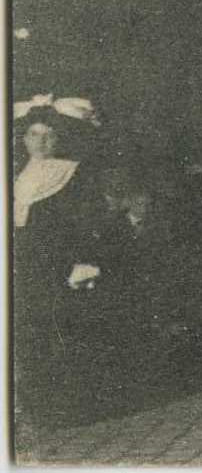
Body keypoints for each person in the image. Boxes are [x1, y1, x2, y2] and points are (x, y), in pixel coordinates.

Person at [12, 97, 108, 428]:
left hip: (58, 261)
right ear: (24, 140)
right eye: (34, 135)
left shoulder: (71, 172)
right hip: (23, 264)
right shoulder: (17, 177)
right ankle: (37, 409)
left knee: (63, 327)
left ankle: (72, 408)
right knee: (29, 332)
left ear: (58, 139)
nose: (40, 142)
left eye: (48, 135)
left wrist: (84, 260)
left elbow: (86, 221)